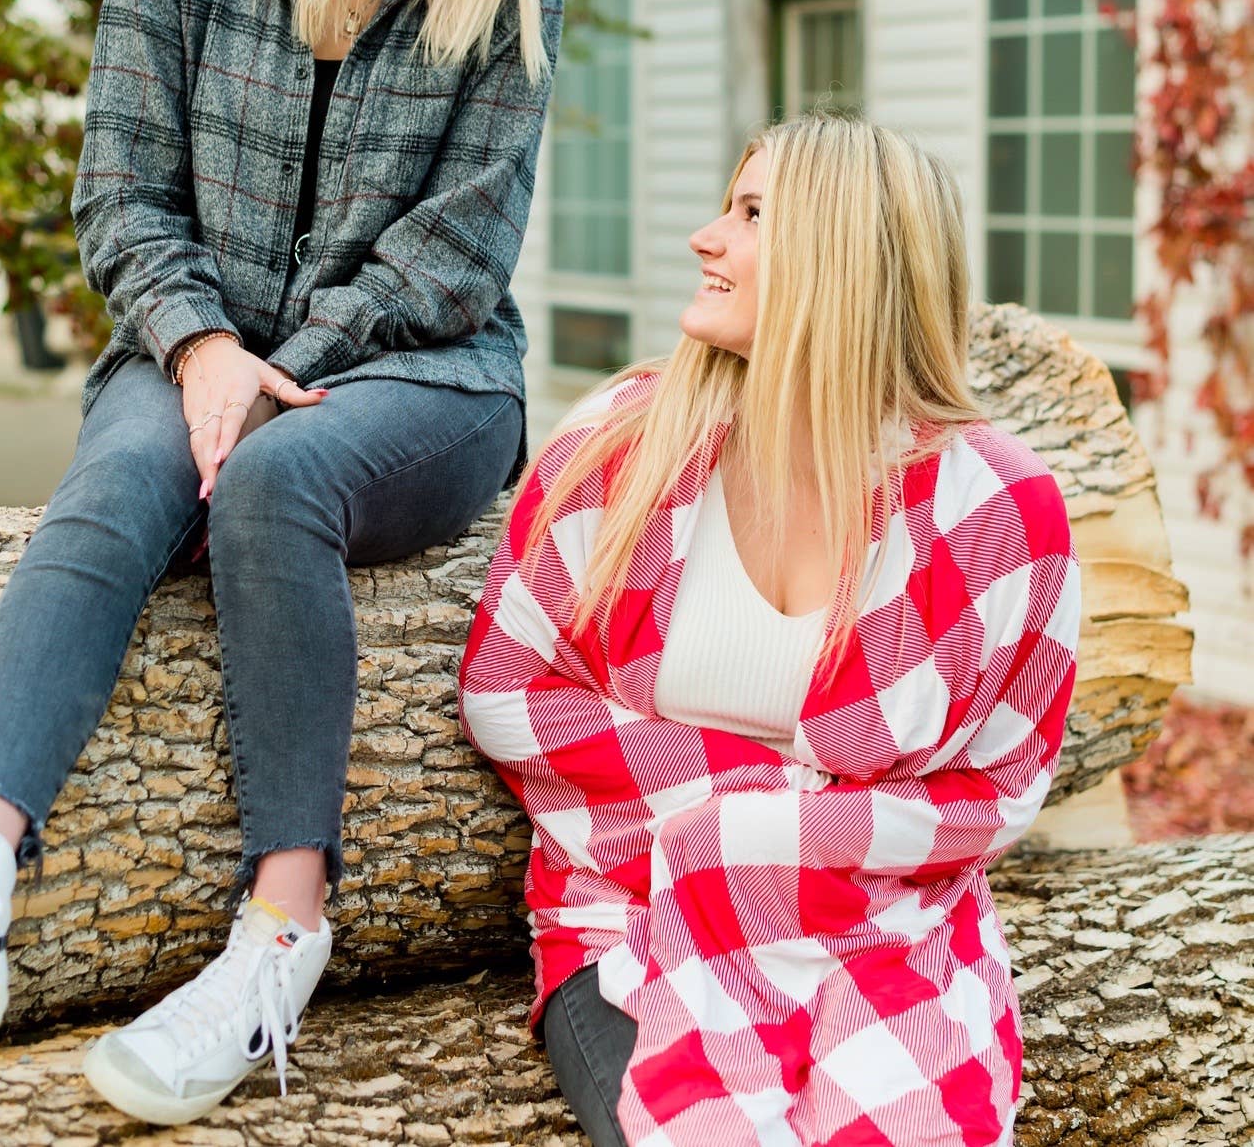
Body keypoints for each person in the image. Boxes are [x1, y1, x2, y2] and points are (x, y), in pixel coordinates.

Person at [0, 0, 562, 1124]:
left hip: (422, 374)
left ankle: (278, 937)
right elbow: (120, 195)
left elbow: (456, 251)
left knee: (272, 483)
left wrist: (277, 381)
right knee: (120, 481)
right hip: (189, 342)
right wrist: (198, 348)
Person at [458, 115, 1080, 1147]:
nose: (706, 237)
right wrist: (750, 820)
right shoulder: (622, 449)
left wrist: (788, 839)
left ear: (837, 254)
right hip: (626, 919)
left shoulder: (993, 513)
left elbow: (1003, 780)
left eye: (750, 214)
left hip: (876, 926)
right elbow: (508, 689)